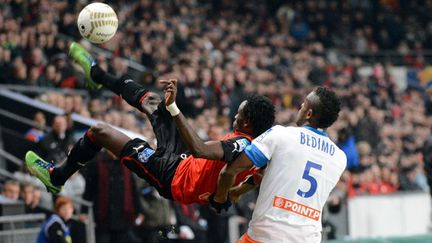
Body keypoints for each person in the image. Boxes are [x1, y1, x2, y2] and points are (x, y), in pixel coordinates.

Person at [25, 42, 275, 206]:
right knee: (155, 103)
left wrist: (175, 107)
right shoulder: (262, 153)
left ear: (248, 122)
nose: (234, 115)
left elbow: (200, 148)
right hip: (184, 159)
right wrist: (230, 195)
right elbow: (253, 180)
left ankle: (56, 177)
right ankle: (97, 76)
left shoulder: (243, 143)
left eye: (239, 113)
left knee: (100, 131)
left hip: (171, 175)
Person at [211, 87, 347, 243]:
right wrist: (239, 191)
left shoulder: (281, 134)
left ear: (308, 113)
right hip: (308, 237)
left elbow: (230, 170)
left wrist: (220, 198)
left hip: (267, 235)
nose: (300, 108)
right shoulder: (340, 158)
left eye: (303, 105)